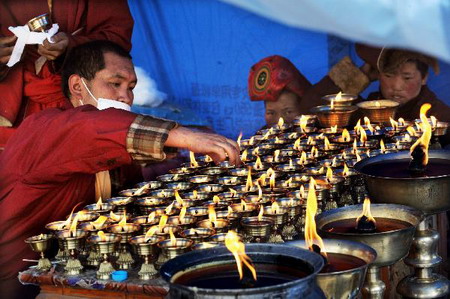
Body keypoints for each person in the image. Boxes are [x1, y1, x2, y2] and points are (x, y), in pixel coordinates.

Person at [0, 40, 241, 298]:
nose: (126, 96)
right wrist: (187, 137)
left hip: (76, 272)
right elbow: (92, 128)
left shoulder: (115, 152)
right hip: (16, 280)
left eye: (131, 87)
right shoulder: (45, 127)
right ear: (77, 86)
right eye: (115, 84)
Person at [0, 0, 134, 149]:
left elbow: (118, 36)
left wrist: (72, 45)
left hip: (77, 100)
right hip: (11, 101)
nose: (127, 98)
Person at [248, 55, 312, 127]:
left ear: (302, 109)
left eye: (288, 112)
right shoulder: (261, 136)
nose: (279, 121)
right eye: (271, 113)